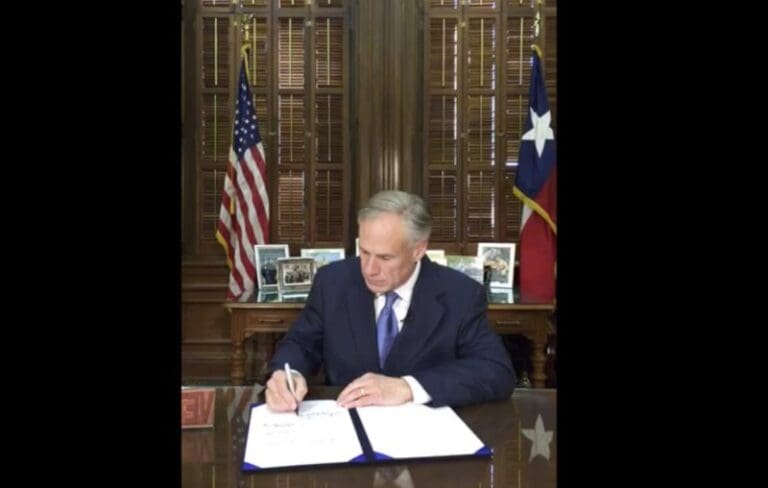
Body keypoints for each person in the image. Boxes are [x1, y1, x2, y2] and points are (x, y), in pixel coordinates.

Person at [265, 190, 516, 411]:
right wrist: (288, 374)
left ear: (418, 250)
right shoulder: (332, 282)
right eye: (364, 252)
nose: (369, 269)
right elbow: (301, 343)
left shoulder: (460, 294)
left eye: (385, 258)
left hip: (423, 438)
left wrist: (408, 387)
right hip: (346, 427)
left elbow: (496, 371)